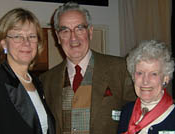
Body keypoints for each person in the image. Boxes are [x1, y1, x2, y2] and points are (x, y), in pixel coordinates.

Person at [40, 2, 136, 134]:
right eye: (65, 31)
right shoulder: (46, 80)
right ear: (58, 37)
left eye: (79, 28)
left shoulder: (121, 69)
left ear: (90, 32)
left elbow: (140, 116)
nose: (73, 38)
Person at [0, 8, 55, 134]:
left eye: (31, 36)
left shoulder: (38, 83)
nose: (26, 42)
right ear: (4, 44)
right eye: (17, 36)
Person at [117, 40, 175, 134]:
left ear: (166, 78)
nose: (145, 81)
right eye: (140, 73)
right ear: (133, 77)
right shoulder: (127, 111)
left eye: (154, 74)